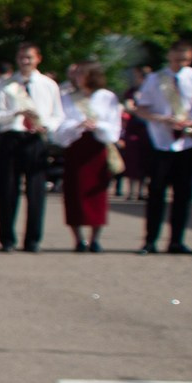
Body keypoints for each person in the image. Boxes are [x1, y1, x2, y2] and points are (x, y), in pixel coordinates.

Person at [135, 40, 192, 254]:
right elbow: (141, 109)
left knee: (183, 194)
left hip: (187, 140)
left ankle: (177, 240)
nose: (180, 63)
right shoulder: (155, 78)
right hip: (161, 140)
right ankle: (150, 240)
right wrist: (159, 119)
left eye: (185, 59)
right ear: (169, 56)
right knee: (156, 191)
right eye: (177, 58)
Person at [0, 42, 61, 254]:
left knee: (36, 191)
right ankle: (7, 238)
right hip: (11, 137)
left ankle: (33, 239)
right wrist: (16, 113)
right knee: (7, 190)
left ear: (38, 58)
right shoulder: (6, 85)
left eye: (29, 57)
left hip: (35, 139)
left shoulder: (48, 85)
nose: (25, 61)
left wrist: (44, 125)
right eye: (21, 57)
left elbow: (57, 115)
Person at [56, 63, 122, 253]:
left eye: (82, 74)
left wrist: (98, 125)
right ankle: (78, 239)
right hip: (76, 148)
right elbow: (60, 125)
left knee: (97, 194)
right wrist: (77, 124)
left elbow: (114, 128)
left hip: (97, 149)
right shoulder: (67, 97)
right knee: (74, 193)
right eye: (76, 74)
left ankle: (95, 239)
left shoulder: (107, 97)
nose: (77, 78)